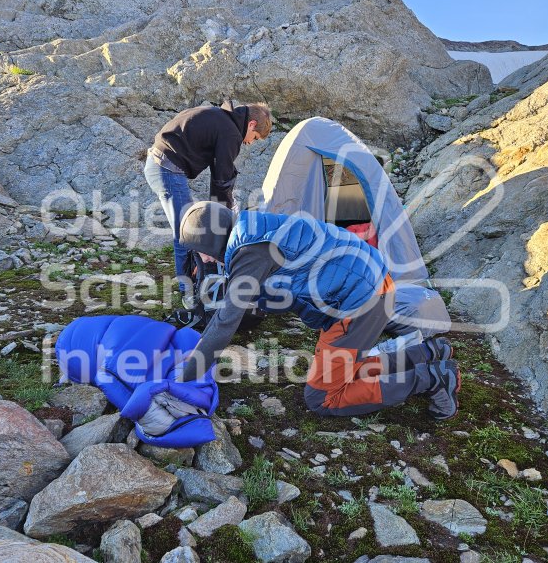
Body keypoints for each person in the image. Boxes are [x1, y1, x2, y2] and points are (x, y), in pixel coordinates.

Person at [176, 201, 461, 419]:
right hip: (369, 283)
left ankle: (433, 378)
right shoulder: (253, 229)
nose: (202, 258)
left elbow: (226, 322)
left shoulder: (252, 253)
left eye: (200, 249)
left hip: (360, 302)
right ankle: (428, 353)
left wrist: (185, 379)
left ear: (211, 240)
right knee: (343, 367)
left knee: (323, 397)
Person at [144, 100, 272, 279]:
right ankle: (188, 291)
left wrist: (221, 208)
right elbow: (221, 178)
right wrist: (223, 215)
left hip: (161, 163)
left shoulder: (220, 117)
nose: (250, 142)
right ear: (252, 124)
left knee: (190, 229)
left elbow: (220, 172)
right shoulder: (231, 133)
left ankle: (196, 280)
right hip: (166, 169)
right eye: (255, 137)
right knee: (186, 232)